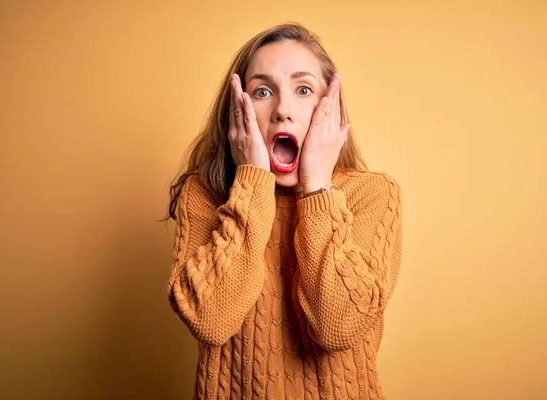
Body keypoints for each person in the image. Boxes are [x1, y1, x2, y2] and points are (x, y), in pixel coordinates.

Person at [165, 21, 402, 400]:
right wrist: (252, 179)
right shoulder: (204, 195)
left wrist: (317, 189)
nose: (282, 111)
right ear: (237, 110)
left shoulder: (372, 194)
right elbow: (210, 321)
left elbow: (338, 326)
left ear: (329, 108)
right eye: (262, 91)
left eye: (303, 89)